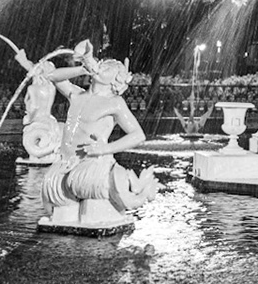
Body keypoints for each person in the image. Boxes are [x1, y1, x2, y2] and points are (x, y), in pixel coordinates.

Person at [14, 40, 156, 228]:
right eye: (102, 64)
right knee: (61, 220)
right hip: (65, 164)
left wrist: (104, 149)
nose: (100, 66)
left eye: (107, 67)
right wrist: (82, 69)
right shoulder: (76, 94)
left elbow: (138, 135)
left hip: (92, 167)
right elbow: (50, 75)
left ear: (115, 80)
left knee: (92, 216)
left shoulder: (114, 102)